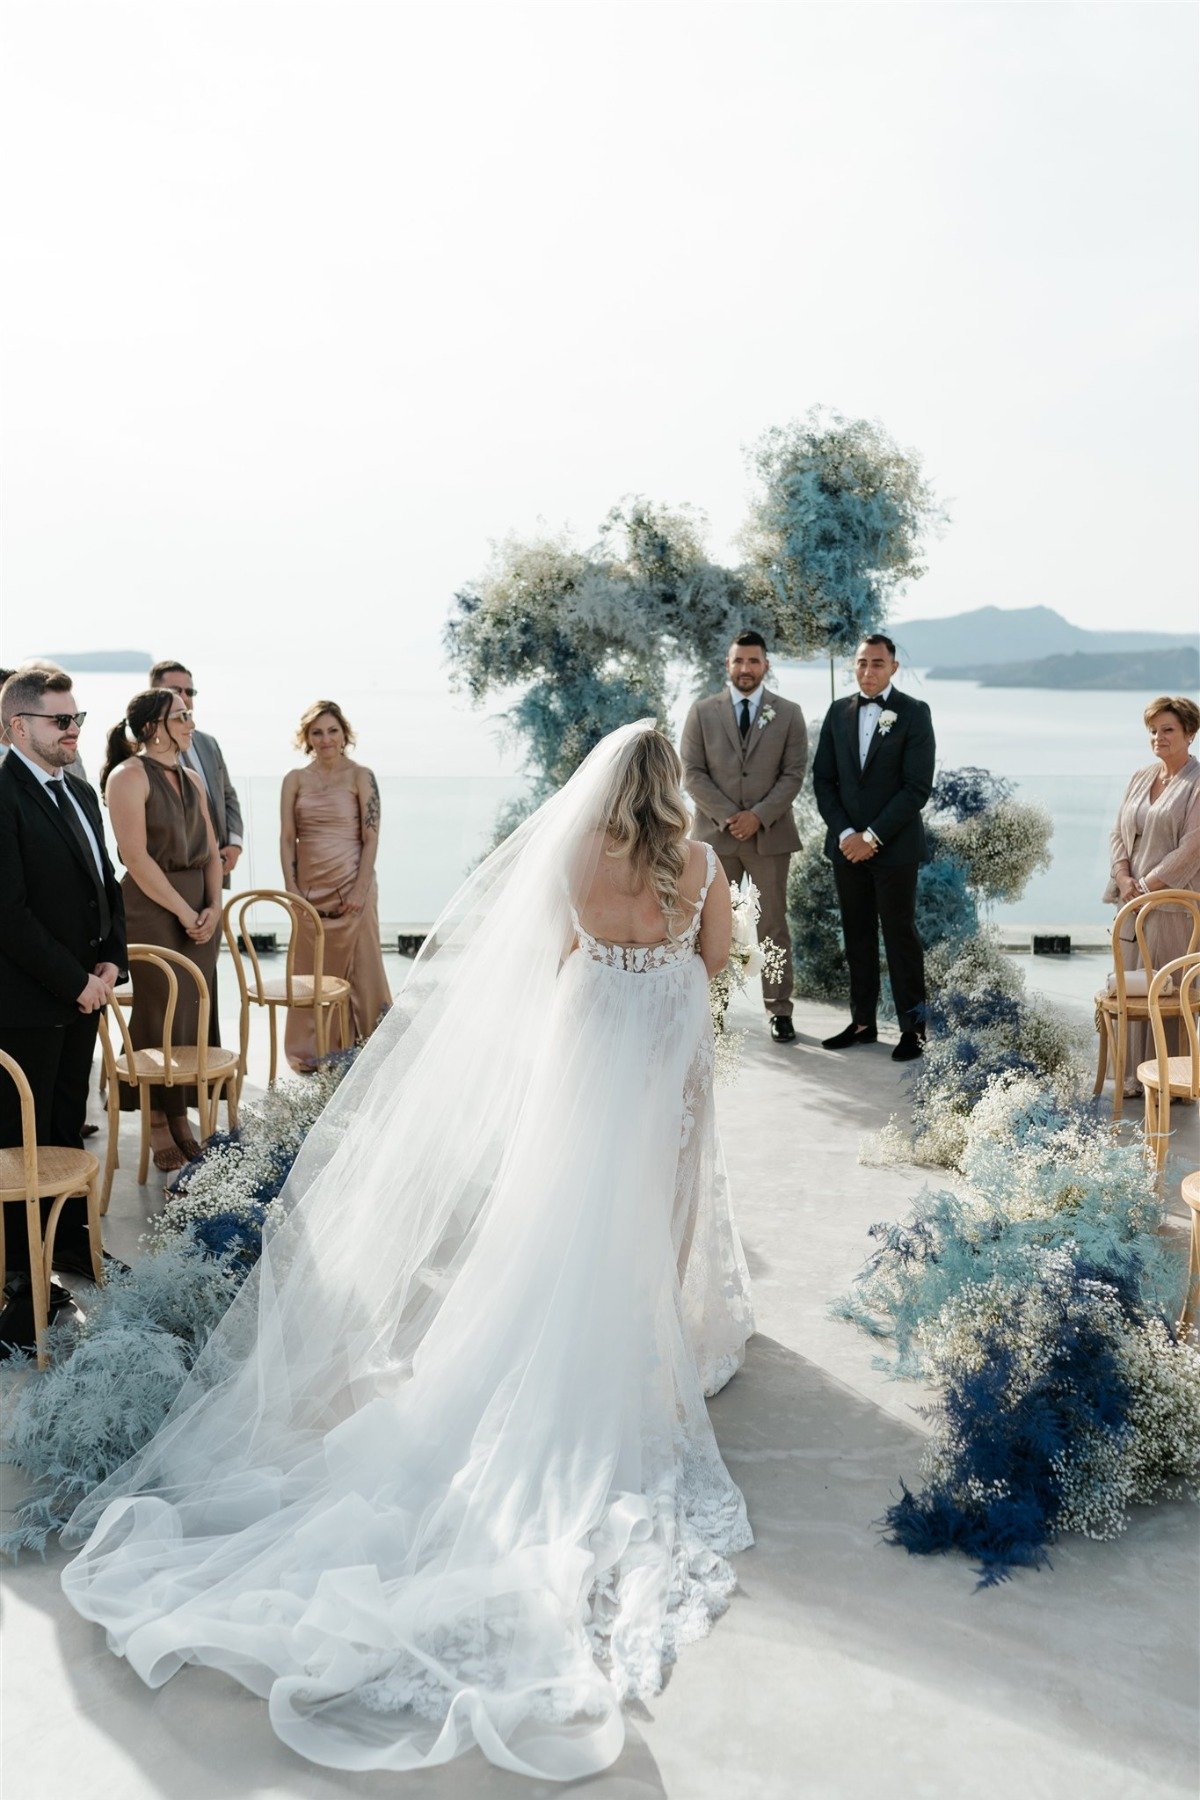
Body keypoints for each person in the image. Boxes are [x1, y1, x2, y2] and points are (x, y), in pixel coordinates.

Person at [61, 722, 754, 1781]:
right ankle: (645, 1333)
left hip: (590, 1038)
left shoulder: (571, 857)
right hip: (663, 1041)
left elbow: (555, 955)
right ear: (673, 790)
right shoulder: (698, 865)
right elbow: (712, 964)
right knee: (662, 1194)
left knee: (558, 1199)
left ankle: (549, 1329)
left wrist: (603, 977)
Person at [0, 667, 126, 1353]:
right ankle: (25, 1286)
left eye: (78, 718)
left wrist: (112, 958)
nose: (75, 730)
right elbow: (8, 914)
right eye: (61, 721)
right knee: (23, 1147)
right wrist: (72, 979)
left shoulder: (80, 788)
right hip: (25, 1005)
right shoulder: (2, 795)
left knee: (64, 1135)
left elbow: (104, 881)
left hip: (86, 994)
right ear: (19, 727)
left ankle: (72, 1247)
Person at [100, 690, 223, 1170]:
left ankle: (180, 1116)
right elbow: (134, 857)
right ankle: (155, 1122)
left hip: (198, 908)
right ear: (154, 726)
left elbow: (212, 852)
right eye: (182, 716)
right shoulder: (127, 776)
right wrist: (182, 911)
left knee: (191, 1014)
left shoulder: (192, 775)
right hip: (152, 908)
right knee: (157, 1014)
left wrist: (213, 906)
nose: (191, 722)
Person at [812, 633, 936, 1062]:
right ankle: (862, 1022)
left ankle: (913, 1032)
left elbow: (916, 787)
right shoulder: (836, 712)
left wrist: (873, 836)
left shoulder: (914, 713)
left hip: (895, 848)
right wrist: (847, 834)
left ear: (893, 668)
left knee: (901, 937)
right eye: (862, 663)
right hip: (846, 848)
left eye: (877, 664)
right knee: (857, 936)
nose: (868, 671)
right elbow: (823, 781)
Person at [681, 630, 808, 1041]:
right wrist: (730, 816)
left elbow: (793, 774)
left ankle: (780, 1010)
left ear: (766, 665)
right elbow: (691, 773)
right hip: (716, 841)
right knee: (712, 926)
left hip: (770, 838)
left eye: (754, 661)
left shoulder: (788, 713)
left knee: (773, 924)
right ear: (728, 665)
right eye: (739, 661)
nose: (746, 668)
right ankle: (712, 1010)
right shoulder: (702, 712)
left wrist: (757, 816)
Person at [280, 699, 391, 1070]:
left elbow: (371, 838)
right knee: (312, 969)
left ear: (344, 733)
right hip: (310, 891)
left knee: (363, 967)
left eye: (332, 730)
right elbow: (286, 839)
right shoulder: (294, 780)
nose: (326, 739)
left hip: (352, 883)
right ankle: (316, 1051)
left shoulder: (362, 775)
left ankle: (367, 1047)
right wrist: (291, 890)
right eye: (317, 732)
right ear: (307, 737)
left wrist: (360, 890)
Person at [1104, 694, 1200, 1092]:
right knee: (1133, 989)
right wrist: (1124, 878)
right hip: (1132, 904)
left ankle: (1170, 1082)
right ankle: (1129, 1077)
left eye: (1168, 730)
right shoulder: (1141, 776)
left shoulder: (1197, 783)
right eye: (1153, 731)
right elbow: (1118, 833)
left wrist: (1146, 887)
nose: (1158, 737)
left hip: (1173, 905)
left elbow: (1193, 846)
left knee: (1170, 996)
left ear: (1190, 734)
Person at [148, 660, 243, 885]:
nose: (185, 697)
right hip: (170, 873)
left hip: (217, 863)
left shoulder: (208, 743)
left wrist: (234, 844)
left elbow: (227, 794)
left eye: (189, 691)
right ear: (154, 695)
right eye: (175, 691)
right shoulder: (140, 752)